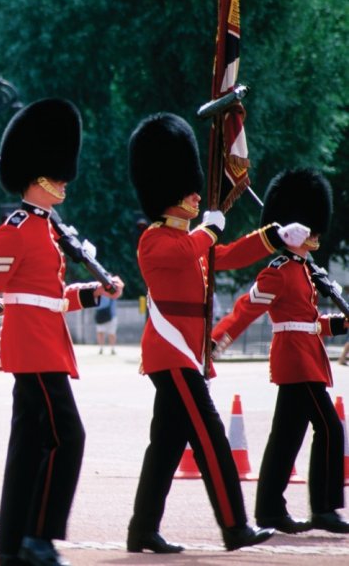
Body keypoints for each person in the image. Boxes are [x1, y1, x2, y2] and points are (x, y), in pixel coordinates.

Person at [0, 98, 123, 566]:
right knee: (69, 438)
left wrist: (93, 293)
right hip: (33, 349)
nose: (64, 181)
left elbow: (49, 295)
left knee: (28, 446)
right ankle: (40, 535)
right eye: (57, 175)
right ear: (36, 177)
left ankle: (12, 544)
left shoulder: (47, 230)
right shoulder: (15, 230)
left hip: (44, 342)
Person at [126, 112, 310, 553]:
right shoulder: (155, 238)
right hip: (171, 352)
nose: (194, 195)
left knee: (166, 445)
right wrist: (209, 226)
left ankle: (142, 529)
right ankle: (234, 526)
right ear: (168, 193)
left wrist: (274, 236)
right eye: (187, 190)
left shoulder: (193, 239)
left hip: (186, 354)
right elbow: (195, 246)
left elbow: (223, 255)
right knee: (210, 437)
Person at [212, 168, 349, 534]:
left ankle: (271, 509)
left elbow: (310, 322)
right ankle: (324, 508)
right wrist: (217, 338)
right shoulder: (279, 271)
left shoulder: (304, 270)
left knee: (286, 435)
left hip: (307, 357)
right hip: (295, 361)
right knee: (331, 430)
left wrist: (341, 324)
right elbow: (246, 307)